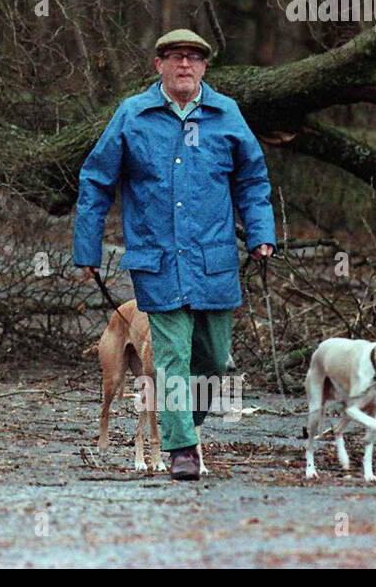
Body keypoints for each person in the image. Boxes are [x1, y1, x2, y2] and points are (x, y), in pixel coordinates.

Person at [73, 28, 276, 480]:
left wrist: (261, 233)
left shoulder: (226, 115)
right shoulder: (133, 115)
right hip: (156, 261)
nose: (184, 65)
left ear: (204, 67)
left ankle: (181, 422)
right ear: (158, 64)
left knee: (211, 358)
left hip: (214, 262)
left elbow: (252, 180)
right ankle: (183, 447)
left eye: (193, 58)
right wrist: (86, 247)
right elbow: (96, 181)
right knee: (170, 358)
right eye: (175, 57)